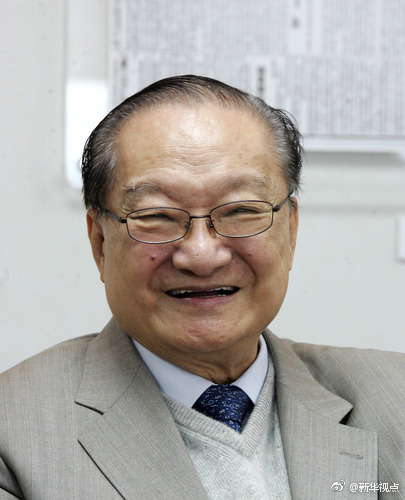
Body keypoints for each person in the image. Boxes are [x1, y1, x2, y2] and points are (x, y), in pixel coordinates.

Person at [0, 75, 403, 500]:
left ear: (290, 232)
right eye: (156, 216)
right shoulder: (15, 435)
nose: (201, 256)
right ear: (100, 243)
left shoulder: (395, 395)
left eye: (242, 210)